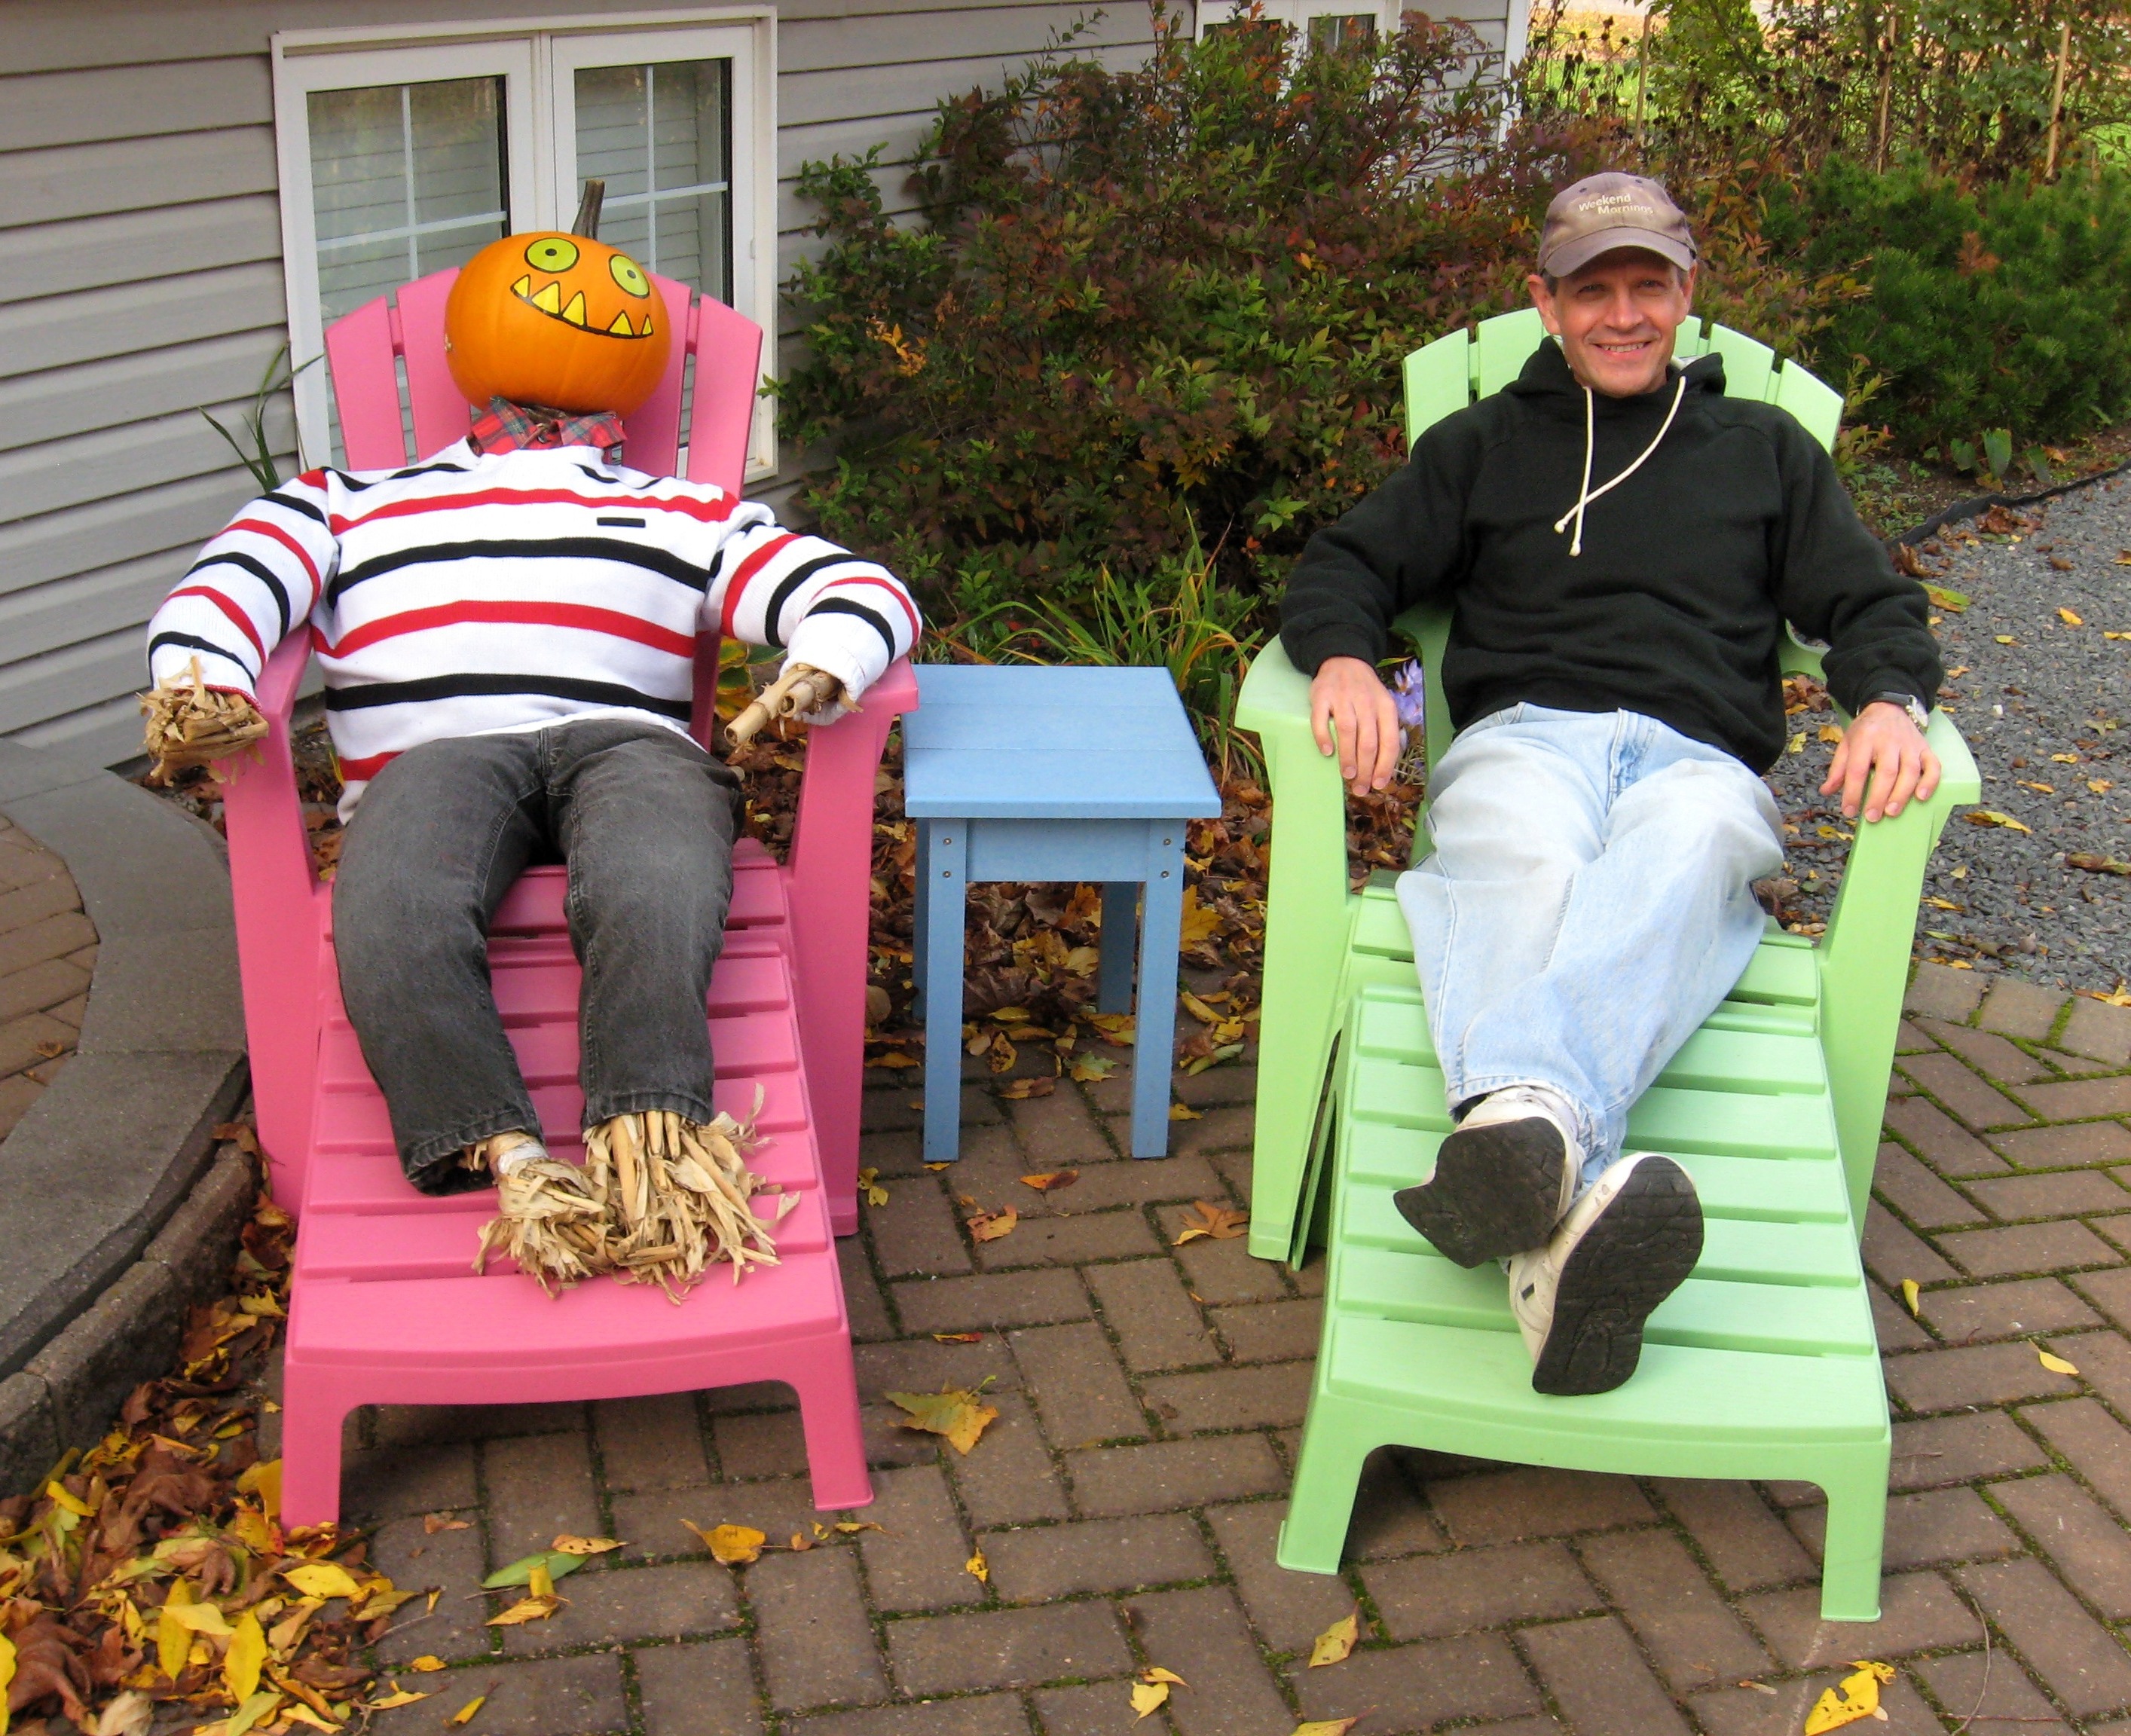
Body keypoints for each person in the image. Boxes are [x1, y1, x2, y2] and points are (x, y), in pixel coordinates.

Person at [141, 223, 919, 1297]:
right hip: (436, 758)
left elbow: (854, 586)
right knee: (394, 906)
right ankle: (509, 1158)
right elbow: (230, 583)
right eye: (545, 278)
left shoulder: (684, 511)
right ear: (458, 347)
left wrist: (828, 656)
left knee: (657, 878)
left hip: (629, 747)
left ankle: (653, 1146)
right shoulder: (343, 501)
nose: (580, 295)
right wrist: (203, 680)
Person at [1280, 172, 1942, 1395]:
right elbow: (1347, 564)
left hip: (1698, 756)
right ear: (1546, 304)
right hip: (1528, 738)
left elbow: (1870, 602)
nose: (1624, 314)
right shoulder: (1482, 447)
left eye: (1650, 284)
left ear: (1688, 294)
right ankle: (1556, 1218)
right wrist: (1344, 659)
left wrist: (1893, 700)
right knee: (1524, 860)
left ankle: (1523, 1145)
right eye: (1594, 291)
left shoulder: (1766, 452)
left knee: (1695, 845)